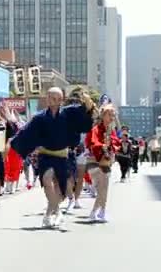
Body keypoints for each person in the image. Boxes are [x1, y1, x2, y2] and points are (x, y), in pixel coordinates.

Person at [11, 87, 95, 228]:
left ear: (61, 100)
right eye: (50, 97)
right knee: (47, 178)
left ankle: (49, 214)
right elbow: (26, 132)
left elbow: (85, 112)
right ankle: (57, 212)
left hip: (64, 156)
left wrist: (87, 101)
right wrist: (13, 141)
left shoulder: (69, 113)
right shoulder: (39, 117)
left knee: (60, 189)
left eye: (55, 98)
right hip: (46, 155)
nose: (52, 101)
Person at [85, 104, 121, 222]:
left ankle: (98, 212)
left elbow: (116, 143)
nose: (112, 117)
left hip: (105, 161)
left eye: (113, 115)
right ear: (103, 115)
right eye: (109, 115)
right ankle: (99, 212)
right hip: (94, 161)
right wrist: (103, 146)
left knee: (104, 188)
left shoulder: (111, 130)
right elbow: (92, 142)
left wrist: (112, 147)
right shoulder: (95, 129)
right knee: (102, 188)